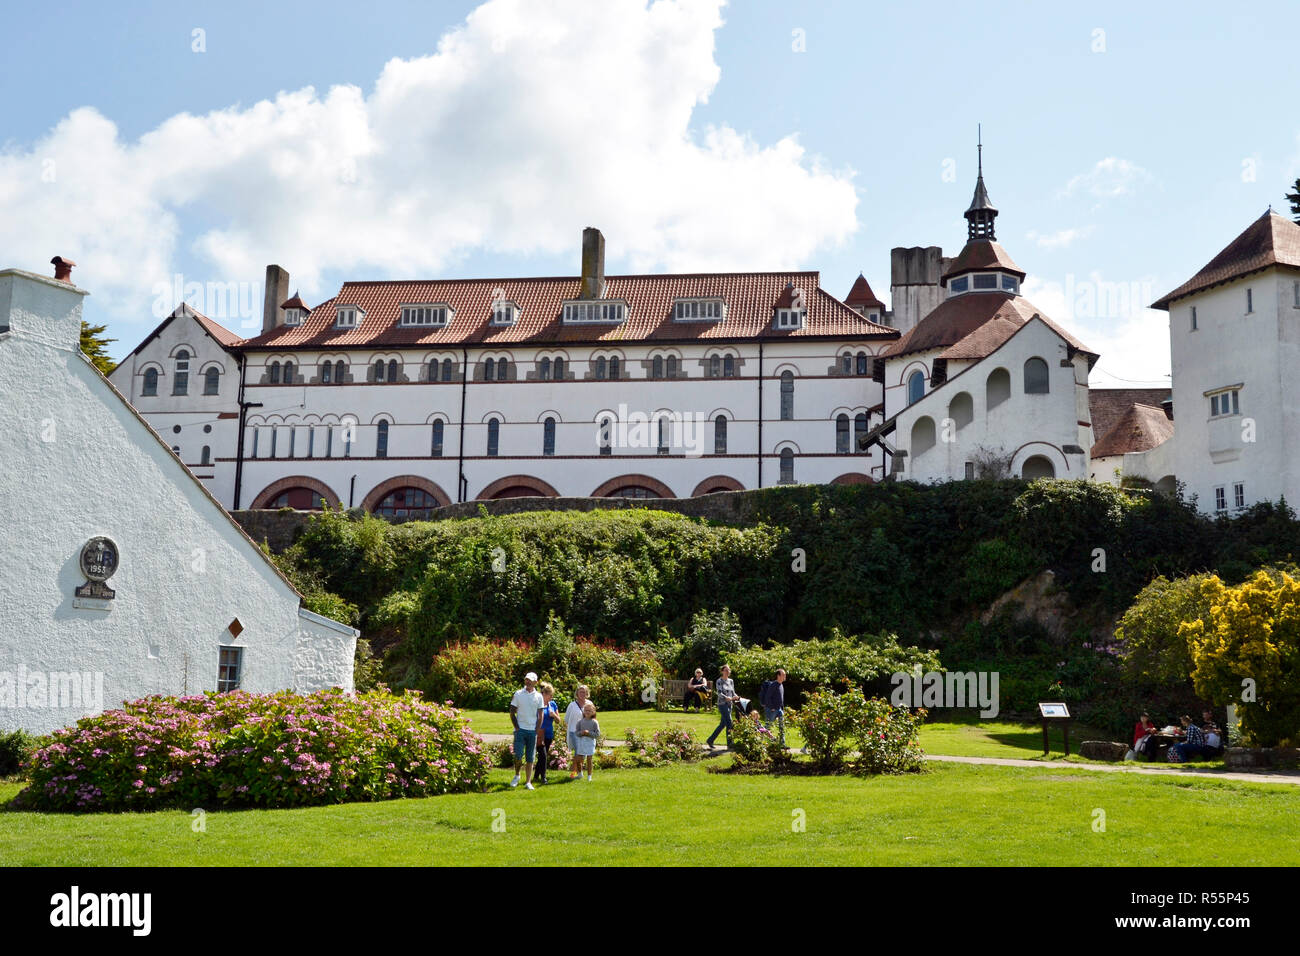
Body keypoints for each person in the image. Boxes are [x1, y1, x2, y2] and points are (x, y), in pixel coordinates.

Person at [509, 672, 545, 790]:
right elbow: (512, 712)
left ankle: (528, 782)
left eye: (530, 680)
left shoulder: (539, 696)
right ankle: (517, 775)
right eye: (526, 680)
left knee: (530, 757)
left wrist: (536, 730)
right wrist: (517, 727)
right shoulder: (518, 694)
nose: (528, 682)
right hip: (520, 730)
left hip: (532, 731)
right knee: (518, 755)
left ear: (535, 682)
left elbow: (540, 715)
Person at [706, 664, 740, 751]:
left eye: (728, 670)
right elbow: (719, 692)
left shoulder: (731, 681)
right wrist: (726, 697)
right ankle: (730, 744)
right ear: (722, 671)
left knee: (722, 724)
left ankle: (710, 740)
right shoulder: (719, 681)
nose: (727, 672)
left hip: (730, 704)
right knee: (729, 723)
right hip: (722, 704)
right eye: (726, 670)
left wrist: (736, 696)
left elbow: (733, 692)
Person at [535, 682, 560, 784]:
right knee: (543, 755)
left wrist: (553, 715)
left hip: (549, 734)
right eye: (550, 694)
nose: (551, 697)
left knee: (542, 756)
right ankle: (543, 777)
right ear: (544, 694)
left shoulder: (553, 704)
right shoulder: (537, 704)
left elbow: (558, 720)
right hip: (539, 734)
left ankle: (536, 776)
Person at [565, 684, 591, 779]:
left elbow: (593, 717)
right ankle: (576, 772)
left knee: (582, 753)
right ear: (577, 693)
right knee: (579, 751)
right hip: (574, 732)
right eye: (580, 692)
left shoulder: (589, 704)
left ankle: (577, 771)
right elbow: (566, 719)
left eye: (584, 692)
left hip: (586, 733)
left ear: (587, 693)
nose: (582, 694)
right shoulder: (572, 705)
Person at [574, 700, 600, 781]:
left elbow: (597, 734)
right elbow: (576, 732)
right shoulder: (580, 722)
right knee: (578, 759)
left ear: (593, 712)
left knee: (589, 759)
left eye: (589, 710)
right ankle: (580, 774)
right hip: (581, 742)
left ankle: (589, 777)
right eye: (586, 710)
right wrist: (581, 733)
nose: (587, 712)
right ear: (583, 711)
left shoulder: (594, 722)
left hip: (590, 742)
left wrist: (589, 733)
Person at [762, 668, 787, 747]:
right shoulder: (773, 685)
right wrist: (772, 707)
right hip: (771, 709)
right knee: (767, 727)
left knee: (782, 726)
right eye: (783, 675)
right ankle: (760, 742)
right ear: (778, 676)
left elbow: (781, 699)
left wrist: (782, 709)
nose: (785, 676)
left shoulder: (781, 685)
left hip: (779, 710)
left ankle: (782, 743)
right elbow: (767, 697)